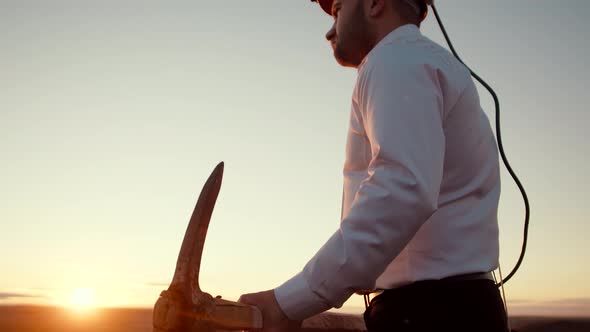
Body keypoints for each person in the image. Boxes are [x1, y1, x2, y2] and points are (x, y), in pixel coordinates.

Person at [239, 0, 509, 331]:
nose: (328, 29)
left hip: (428, 314)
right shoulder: (422, 61)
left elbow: (401, 190)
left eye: (337, 9)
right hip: (451, 307)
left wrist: (289, 302)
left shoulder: (394, 59)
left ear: (375, 3)